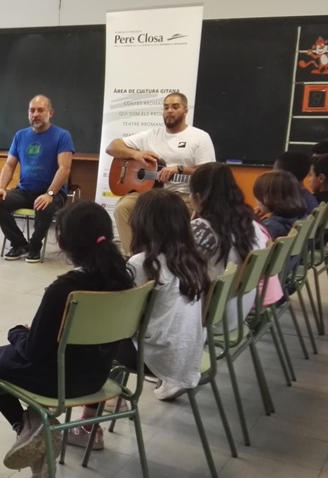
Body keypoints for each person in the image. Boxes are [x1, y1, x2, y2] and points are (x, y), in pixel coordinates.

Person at [0, 201, 134, 478]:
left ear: (61, 241)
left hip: (56, 382)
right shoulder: (125, 282)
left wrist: (17, 333)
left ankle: (27, 429)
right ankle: (33, 429)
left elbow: (34, 353)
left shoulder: (64, 290)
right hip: (96, 379)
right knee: (6, 357)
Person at [122, 189, 210, 402]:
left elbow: (123, 318)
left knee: (95, 336)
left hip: (154, 356)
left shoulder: (143, 263)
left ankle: (106, 401)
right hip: (189, 351)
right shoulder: (195, 259)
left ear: (141, 223)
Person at [106, 92, 216, 255]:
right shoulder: (151, 135)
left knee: (168, 218)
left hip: (182, 196)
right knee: (123, 208)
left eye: (175, 107)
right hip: (150, 193)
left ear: (185, 111)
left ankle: (171, 261)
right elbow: (112, 147)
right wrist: (135, 154)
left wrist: (180, 169)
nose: (169, 111)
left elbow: (209, 173)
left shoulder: (200, 137)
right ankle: (134, 258)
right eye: (166, 107)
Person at [0, 95, 75, 263]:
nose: (35, 114)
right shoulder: (20, 136)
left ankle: (35, 246)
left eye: (40, 110)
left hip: (52, 193)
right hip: (24, 191)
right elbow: (9, 165)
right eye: (32, 110)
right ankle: (19, 244)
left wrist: (50, 194)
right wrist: (1, 188)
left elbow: (64, 168)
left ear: (50, 113)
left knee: (44, 206)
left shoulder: (62, 136)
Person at [189, 162, 271, 329]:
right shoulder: (250, 223)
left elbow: (176, 272)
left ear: (198, 196)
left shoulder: (203, 228)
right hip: (238, 313)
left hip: (211, 318)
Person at [253, 170, 307, 239]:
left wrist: (254, 223)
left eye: (257, 195)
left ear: (267, 197)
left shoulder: (269, 228)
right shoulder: (301, 216)